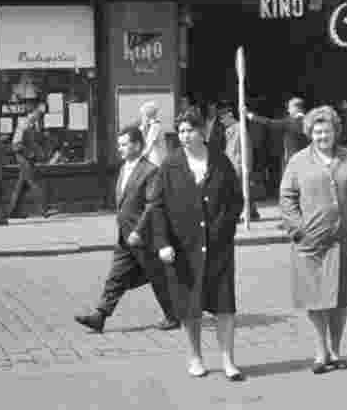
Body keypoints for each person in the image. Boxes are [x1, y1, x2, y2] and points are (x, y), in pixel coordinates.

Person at [280, 106, 347, 374]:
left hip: (346, 241)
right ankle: (320, 351)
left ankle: (336, 350)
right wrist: (298, 230)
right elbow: (286, 198)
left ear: (336, 131)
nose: (323, 136)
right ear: (310, 133)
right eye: (317, 131)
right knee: (316, 299)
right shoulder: (298, 161)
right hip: (312, 243)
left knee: (340, 299)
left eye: (328, 130)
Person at [152, 109, 245, 379]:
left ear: (202, 132)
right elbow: (157, 206)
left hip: (219, 248)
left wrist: (225, 227)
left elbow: (235, 199)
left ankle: (228, 361)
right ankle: (195, 358)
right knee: (190, 308)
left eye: (189, 130)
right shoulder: (170, 165)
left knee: (224, 306)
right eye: (180, 131)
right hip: (184, 248)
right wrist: (162, 243)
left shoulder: (220, 161)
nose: (184, 135)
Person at [75, 126, 178, 334]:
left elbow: (151, 205)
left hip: (143, 236)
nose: (120, 148)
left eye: (124, 144)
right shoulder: (124, 168)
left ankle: (173, 315)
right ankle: (100, 316)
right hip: (125, 235)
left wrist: (139, 231)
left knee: (157, 276)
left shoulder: (150, 171)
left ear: (137, 145)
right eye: (119, 144)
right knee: (116, 276)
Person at [7, 102, 54, 219]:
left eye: (40, 114)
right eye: (37, 113)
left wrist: (39, 153)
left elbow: (32, 143)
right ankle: (44, 209)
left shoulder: (32, 125)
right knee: (35, 182)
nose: (39, 116)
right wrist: (31, 154)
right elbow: (16, 145)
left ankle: (13, 211)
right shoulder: (24, 124)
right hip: (25, 159)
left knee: (21, 186)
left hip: (28, 159)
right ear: (31, 113)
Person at [248, 97, 310, 179]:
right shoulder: (310, 121)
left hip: (294, 162)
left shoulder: (291, 122)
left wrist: (251, 116)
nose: (288, 110)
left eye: (290, 108)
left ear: (296, 108)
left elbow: (270, 123)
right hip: (308, 161)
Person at [219, 105, 261, 223]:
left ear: (230, 116)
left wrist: (246, 165)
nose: (222, 121)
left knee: (238, 190)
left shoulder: (239, 129)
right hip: (233, 164)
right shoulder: (230, 130)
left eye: (223, 118)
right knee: (241, 189)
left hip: (238, 165)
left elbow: (246, 148)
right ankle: (251, 212)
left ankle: (243, 213)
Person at [140, 101, 168, 168]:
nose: (142, 117)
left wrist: (139, 156)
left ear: (148, 116)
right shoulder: (153, 125)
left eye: (143, 115)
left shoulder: (155, 126)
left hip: (156, 159)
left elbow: (149, 145)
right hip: (156, 157)